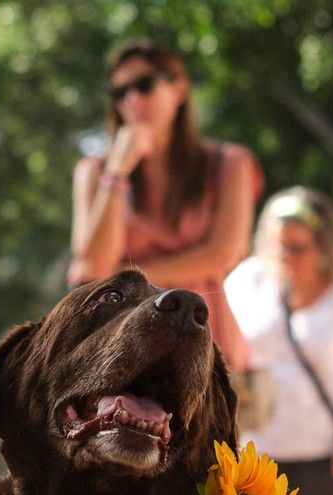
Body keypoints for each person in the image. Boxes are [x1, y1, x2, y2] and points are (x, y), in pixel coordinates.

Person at [68, 39, 262, 373]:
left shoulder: (230, 164)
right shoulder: (96, 172)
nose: (133, 99)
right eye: (120, 92)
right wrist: (117, 173)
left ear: (179, 88)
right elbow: (93, 265)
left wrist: (122, 279)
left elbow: (223, 254)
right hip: (123, 345)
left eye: (145, 84)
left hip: (205, 340)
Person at [224, 187, 333, 495]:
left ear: (324, 246)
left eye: (297, 248)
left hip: (325, 456)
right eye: (276, 246)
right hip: (258, 452)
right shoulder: (247, 280)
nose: (284, 256)